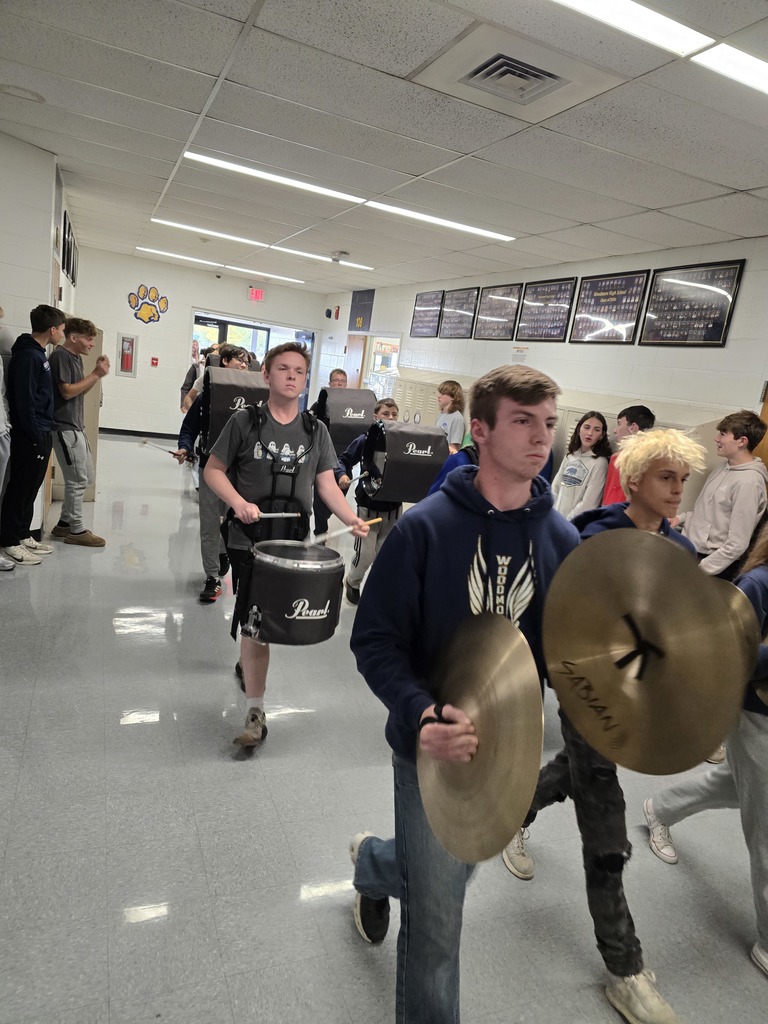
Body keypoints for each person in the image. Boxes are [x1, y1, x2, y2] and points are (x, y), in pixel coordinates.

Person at [348, 365, 580, 1024]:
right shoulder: (426, 528)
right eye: (523, 422)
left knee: (446, 876)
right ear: (479, 430)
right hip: (430, 746)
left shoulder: (559, 539)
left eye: (548, 424)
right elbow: (375, 640)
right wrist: (420, 715)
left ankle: (372, 863)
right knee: (439, 926)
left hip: (503, 754)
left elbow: (562, 653)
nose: (542, 438)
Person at [503, 428, 706, 1024]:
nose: (676, 489)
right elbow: (557, 615)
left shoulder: (682, 550)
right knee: (604, 817)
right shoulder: (590, 535)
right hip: (584, 691)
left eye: (682, 479)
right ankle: (624, 967)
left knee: (576, 769)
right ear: (636, 480)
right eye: (666, 478)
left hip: (632, 699)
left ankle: (513, 808)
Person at [204, 343, 368, 747]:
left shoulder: (316, 431)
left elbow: (326, 483)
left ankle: (248, 664)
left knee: (260, 622)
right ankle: (256, 711)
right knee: (256, 623)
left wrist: (350, 518)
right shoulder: (245, 422)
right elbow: (213, 470)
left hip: (291, 543)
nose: (291, 376)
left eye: (299, 370)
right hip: (249, 541)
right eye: (283, 369)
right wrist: (238, 503)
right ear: (267, 375)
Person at [642, 522, 768, 981]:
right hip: (756, 713)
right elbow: (729, 654)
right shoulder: (757, 584)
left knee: (740, 784)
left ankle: (661, 808)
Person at [174, 344, 250, 602]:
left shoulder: (257, 400)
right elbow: (188, 429)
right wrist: (185, 448)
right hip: (210, 468)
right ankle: (212, 577)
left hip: (242, 473)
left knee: (232, 522)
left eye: (247, 362)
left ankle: (223, 553)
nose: (244, 366)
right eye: (240, 360)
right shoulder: (208, 396)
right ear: (224, 362)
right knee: (209, 523)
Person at [0, 304, 66, 565]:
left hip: (41, 429)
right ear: (51, 329)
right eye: (61, 330)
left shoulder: (39, 353)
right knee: (20, 487)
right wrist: (35, 431)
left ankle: (21, 533)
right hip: (31, 433)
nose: (61, 334)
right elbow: (24, 400)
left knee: (32, 487)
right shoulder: (29, 356)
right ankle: (9, 540)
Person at [672, 410, 768, 580]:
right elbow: (710, 514)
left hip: (709, 564)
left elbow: (737, 544)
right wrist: (680, 518)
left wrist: (701, 570)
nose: (717, 438)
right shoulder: (722, 467)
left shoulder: (749, 483)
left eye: (723, 434)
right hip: (690, 551)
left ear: (742, 441)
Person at [49, 317, 110, 547]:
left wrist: (96, 375)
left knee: (86, 477)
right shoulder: (60, 356)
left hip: (76, 426)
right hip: (64, 427)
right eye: (88, 339)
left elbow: (77, 392)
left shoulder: (74, 358)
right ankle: (76, 530)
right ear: (74, 338)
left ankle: (64, 524)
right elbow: (65, 392)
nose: (91, 344)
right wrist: (95, 373)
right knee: (76, 480)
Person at [336, 397, 400, 604]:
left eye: (394, 414)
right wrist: (342, 475)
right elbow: (343, 460)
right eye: (385, 414)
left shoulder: (401, 442)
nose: (390, 418)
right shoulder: (365, 440)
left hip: (393, 509)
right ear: (375, 417)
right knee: (365, 554)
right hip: (368, 507)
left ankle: (376, 589)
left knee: (385, 555)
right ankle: (353, 582)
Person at [551, 410, 611, 521]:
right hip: (555, 519)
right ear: (579, 430)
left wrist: (567, 523)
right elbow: (555, 487)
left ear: (602, 435)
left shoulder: (600, 462)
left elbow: (589, 503)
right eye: (587, 427)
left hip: (573, 525)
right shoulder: (570, 456)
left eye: (596, 430)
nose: (590, 433)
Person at [310, 367, 347, 536]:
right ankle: (320, 530)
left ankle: (323, 521)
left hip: (343, 459)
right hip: (322, 458)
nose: (339, 384)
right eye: (336, 380)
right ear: (330, 383)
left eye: (342, 381)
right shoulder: (320, 404)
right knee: (320, 497)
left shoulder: (351, 407)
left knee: (339, 492)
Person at [602, 405, 656, 504]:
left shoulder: (621, 459)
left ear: (633, 427)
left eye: (619, 424)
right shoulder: (653, 462)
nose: (615, 430)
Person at [435, 379, 466, 454]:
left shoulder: (457, 419)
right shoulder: (441, 415)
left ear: (453, 397)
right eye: (439, 392)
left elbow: (454, 450)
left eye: (443, 393)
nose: (439, 396)